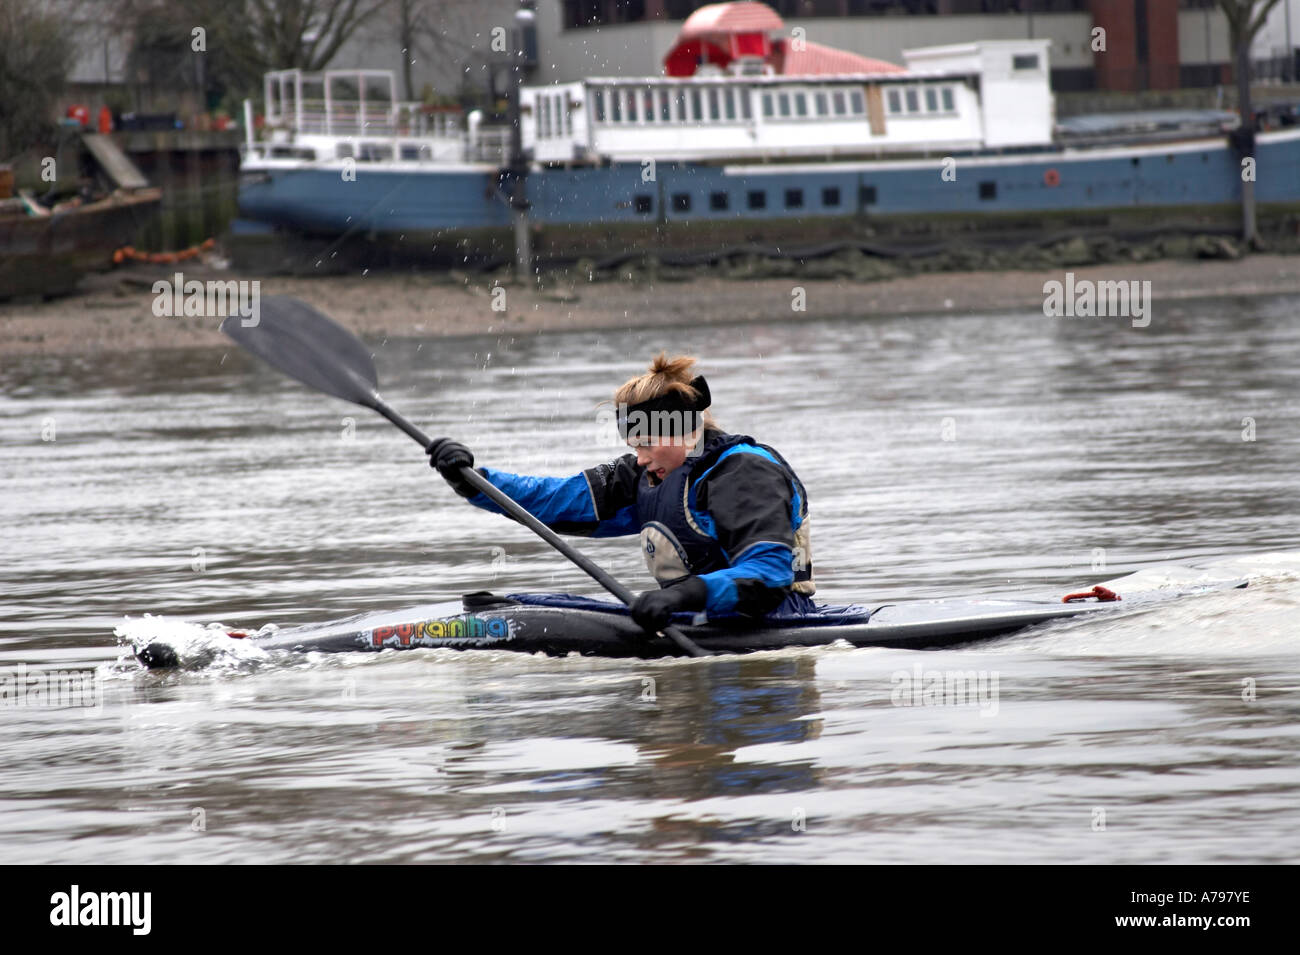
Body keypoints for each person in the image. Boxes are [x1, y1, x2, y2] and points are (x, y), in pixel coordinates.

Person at [427, 354, 815, 633]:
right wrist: (471, 479)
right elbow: (554, 501)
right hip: (691, 620)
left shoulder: (743, 471)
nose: (640, 458)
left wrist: (680, 597)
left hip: (773, 622)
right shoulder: (644, 474)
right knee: (496, 606)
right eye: (634, 446)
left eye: (646, 443)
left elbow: (767, 576)